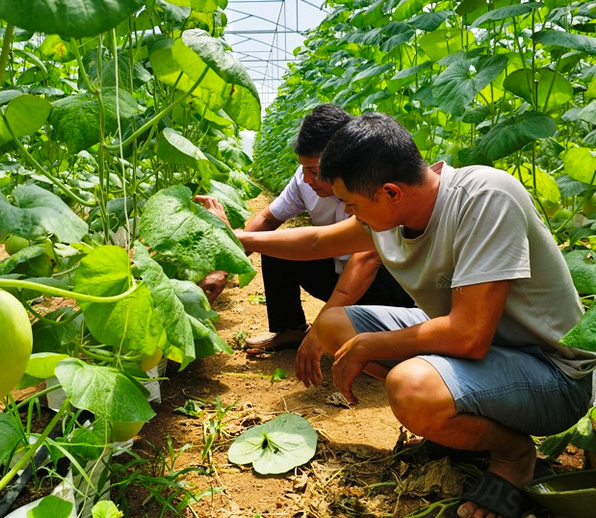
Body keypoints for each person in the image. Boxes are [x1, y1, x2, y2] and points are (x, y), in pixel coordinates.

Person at [235, 112, 596, 518]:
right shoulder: (395, 210)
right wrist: (240, 239)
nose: (350, 213)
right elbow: (318, 240)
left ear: (390, 193)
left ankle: (512, 455)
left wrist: (370, 344)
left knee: (411, 388)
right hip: (487, 353)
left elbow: (468, 336)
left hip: (552, 374)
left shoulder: (485, 198)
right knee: (333, 324)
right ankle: (459, 422)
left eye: (352, 204)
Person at [198, 104, 413, 353]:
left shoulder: (374, 187)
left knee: (373, 343)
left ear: (344, 159)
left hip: (384, 286)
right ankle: (291, 329)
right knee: (276, 247)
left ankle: (388, 337)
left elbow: (363, 263)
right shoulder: (305, 180)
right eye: (304, 169)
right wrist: (224, 268)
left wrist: (321, 330)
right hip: (338, 275)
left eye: (315, 170)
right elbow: (268, 219)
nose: (307, 178)